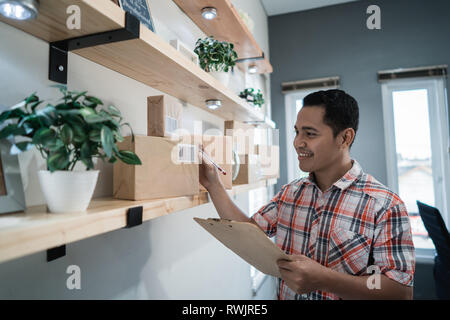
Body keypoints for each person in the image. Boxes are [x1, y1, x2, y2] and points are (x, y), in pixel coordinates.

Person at [199, 89, 415, 300]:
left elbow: (398, 290)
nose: (297, 142)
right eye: (297, 132)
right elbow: (247, 233)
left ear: (345, 138)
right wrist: (213, 185)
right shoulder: (290, 194)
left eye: (310, 133)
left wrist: (325, 279)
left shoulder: (385, 205)